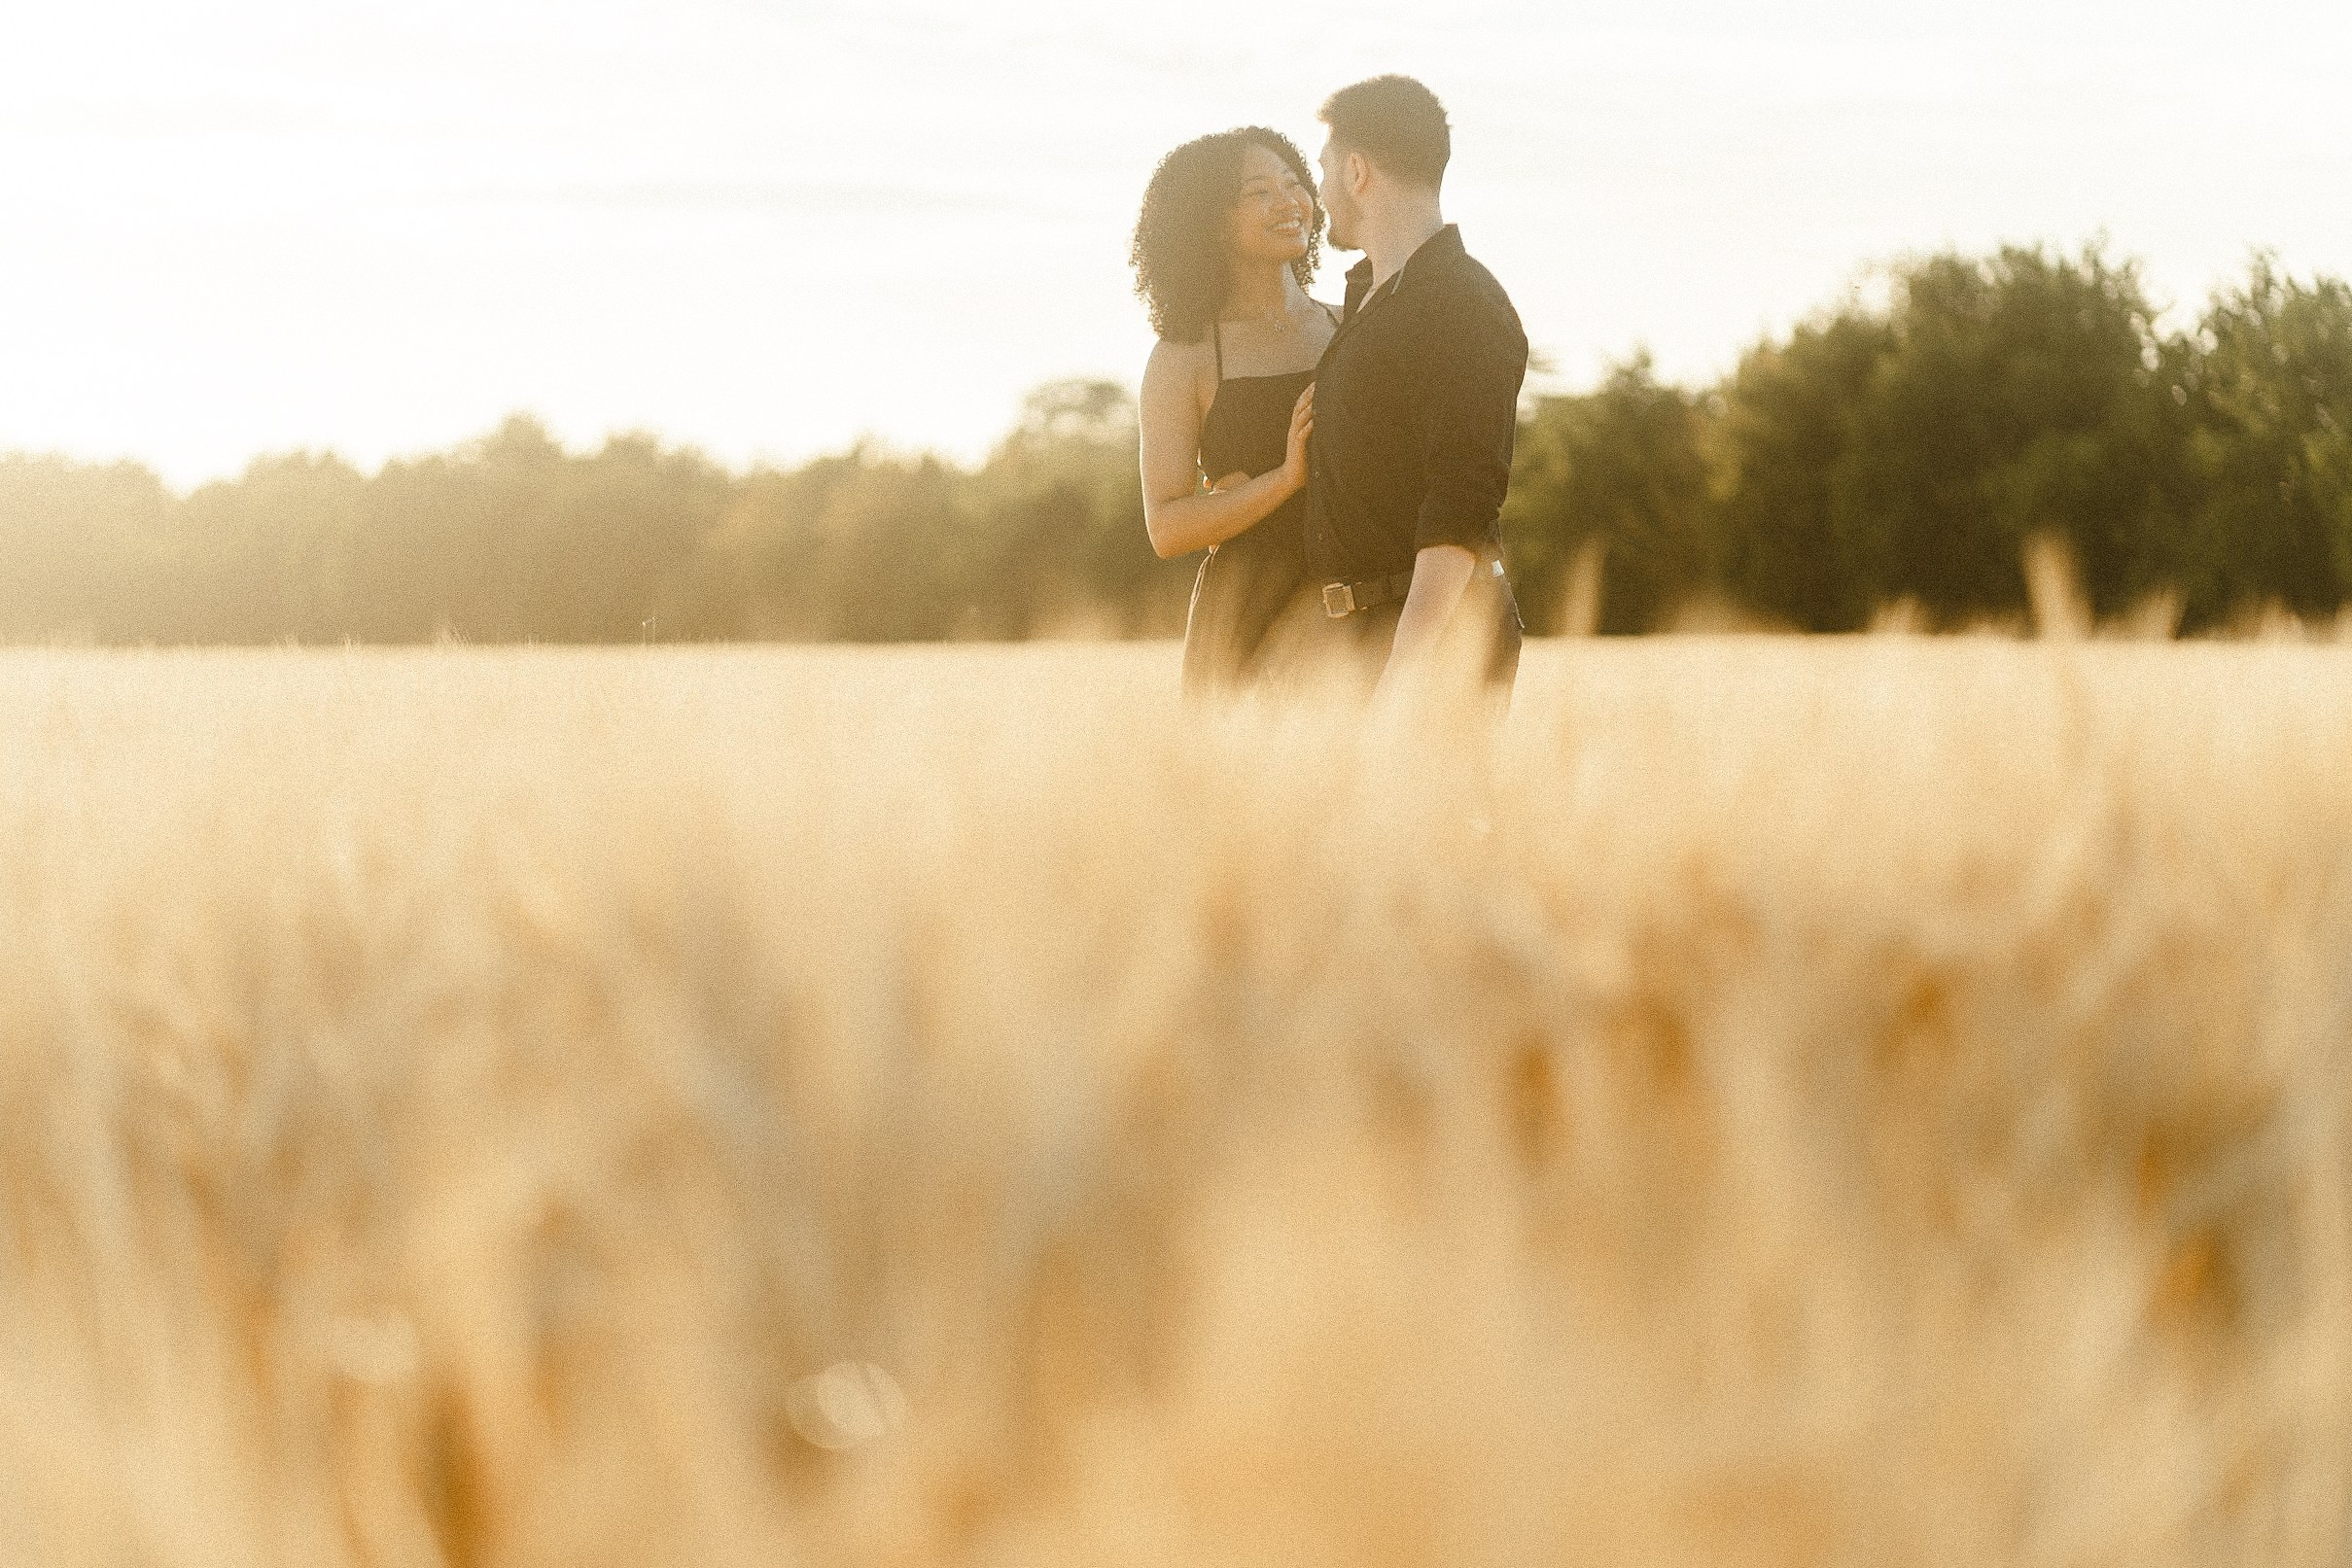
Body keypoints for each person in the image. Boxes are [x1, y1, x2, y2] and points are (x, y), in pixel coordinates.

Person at [1303, 76, 1527, 705]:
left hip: (1434, 642)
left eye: (1322, 169)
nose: (1318, 192)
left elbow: (1459, 499)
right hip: (1360, 635)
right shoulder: (1368, 297)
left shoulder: (1460, 303)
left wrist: (1403, 672)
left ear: (1354, 170)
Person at [1130, 127, 1334, 697]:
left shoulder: (1353, 324)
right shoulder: (1182, 357)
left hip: (1359, 610)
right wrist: (1285, 479)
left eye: (1295, 184)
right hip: (1246, 621)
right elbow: (1166, 528)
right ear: (1209, 220)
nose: (1288, 201)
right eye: (1259, 191)